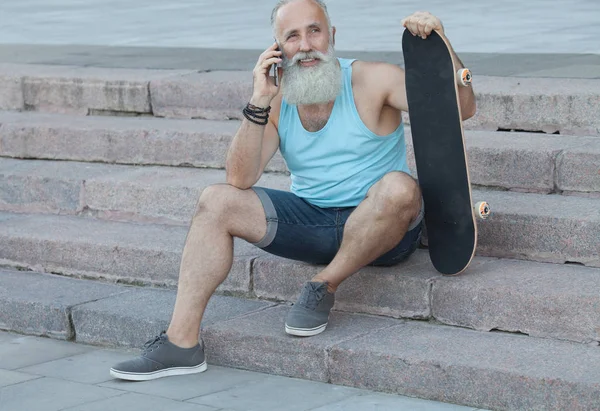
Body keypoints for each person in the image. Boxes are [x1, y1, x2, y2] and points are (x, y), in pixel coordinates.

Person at [110, 0, 476, 381]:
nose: (305, 45)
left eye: (314, 31)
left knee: (400, 188)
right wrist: (259, 100)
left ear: (331, 36)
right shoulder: (278, 97)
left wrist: (443, 46)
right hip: (312, 223)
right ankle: (181, 343)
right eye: (292, 36)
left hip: (382, 227)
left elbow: (460, 109)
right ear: (277, 48)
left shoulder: (374, 79)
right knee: (215, 200)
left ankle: (323, 284)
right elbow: (239, 179)